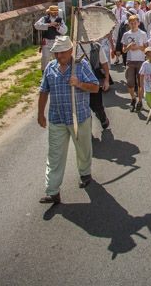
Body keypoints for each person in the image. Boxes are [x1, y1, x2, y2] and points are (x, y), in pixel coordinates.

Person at [37, 36, 101, 205]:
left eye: (61, 53)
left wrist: (79, 83)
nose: (58, 56)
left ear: (70, 51)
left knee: (83, 149)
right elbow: (43, 91)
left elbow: (95, 87)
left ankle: (85, 173)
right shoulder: (50, 68)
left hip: (79, 117)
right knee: (55, 155)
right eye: (56, 53)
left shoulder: (80, 66)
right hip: (57, 118)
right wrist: (40, 113)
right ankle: (52, 191)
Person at [80, 37, 112, 130]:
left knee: (97, 107)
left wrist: (106, 80)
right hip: (80, 82)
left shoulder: (96, 46)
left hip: (94, 82)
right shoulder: (74, 47)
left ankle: (103, 118)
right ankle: (87, 131)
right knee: (83, 108)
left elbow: (104, 63)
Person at [121, 14, 148, 112]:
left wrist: (138, 47)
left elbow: (146, 48)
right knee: (130, 83)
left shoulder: (143, 34)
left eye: (135, 23)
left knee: (140, 83)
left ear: (138, 23)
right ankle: (133, 98)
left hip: (141, 60)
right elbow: (123, 50)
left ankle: (140, 101)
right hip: (130, 61)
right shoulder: (126, 34)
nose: (133, 25)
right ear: (129, 24)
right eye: (131, 23)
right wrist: (128, 47)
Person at [34, 5, 67, 71]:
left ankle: (57, 74)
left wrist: (58, 27)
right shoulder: (45, 18)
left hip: (56, 41)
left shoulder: (60, 20)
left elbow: (65, 31)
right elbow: (36, 25)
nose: (55, 13)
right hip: (46, 41)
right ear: (50, 12)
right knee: (45, 58)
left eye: (56, 12)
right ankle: (44, 75)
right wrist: (49, 25)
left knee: (57, 59)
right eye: (53, 12)